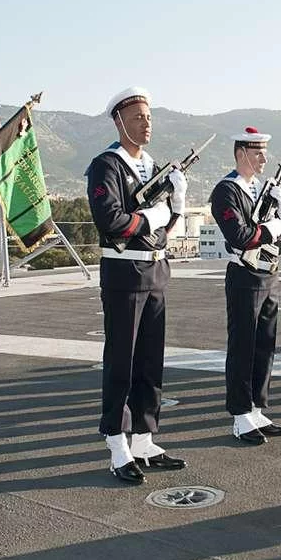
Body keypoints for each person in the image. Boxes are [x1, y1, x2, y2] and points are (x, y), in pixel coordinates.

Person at [86, 86, 188, 484]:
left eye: (148, 117)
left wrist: (176, 204)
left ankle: (145, 438)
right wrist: (151, 217)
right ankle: (117, 442)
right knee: (122, 363)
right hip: (124, 275)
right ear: (119, 122)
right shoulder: (106, 166)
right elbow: (110, 220)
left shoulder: (152, 167)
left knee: (150, 362)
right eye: (137, 118)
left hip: (156, 273)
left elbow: (165, 228)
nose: (145, 124)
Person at [209, 127, 281, 444]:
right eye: (257, 153)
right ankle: (241, 415)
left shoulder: (260, 189)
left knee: (265, 346)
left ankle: (257, 407)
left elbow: (280, 230)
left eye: (264, 153)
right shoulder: (226, 191)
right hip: (244, 275)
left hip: (269, 274)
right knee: (243, 346)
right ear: (241, 153)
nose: (263, 159)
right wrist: (273, 226)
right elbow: (240, 236)